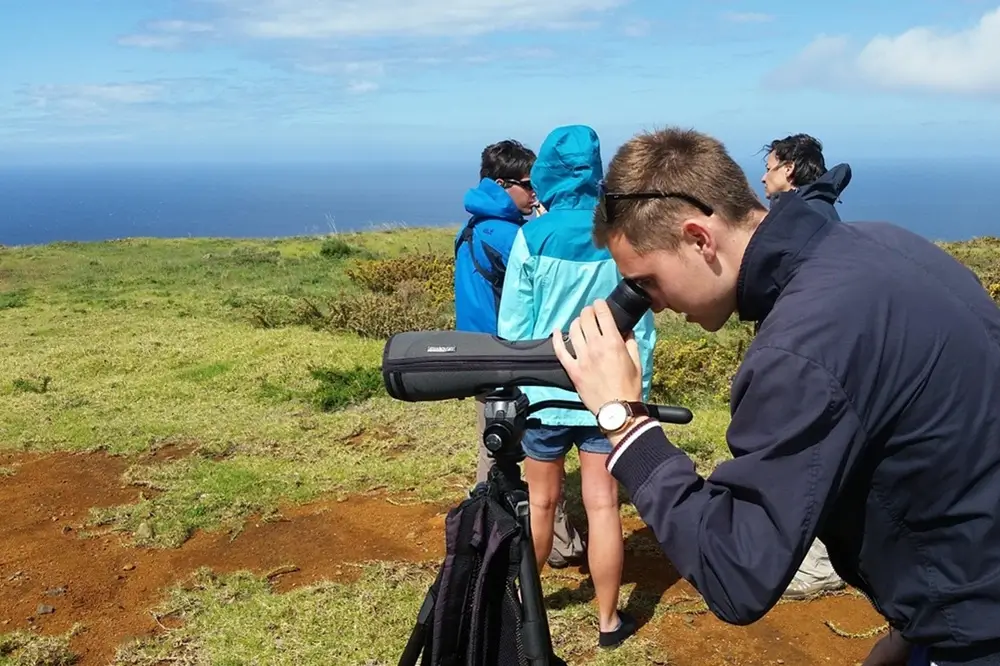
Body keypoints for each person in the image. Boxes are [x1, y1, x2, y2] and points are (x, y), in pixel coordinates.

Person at [550, 127, 1000, 666]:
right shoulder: (884, 244)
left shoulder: (801, 347)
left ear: (699, 239)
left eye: (647, 283)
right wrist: (917, 628)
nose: (656, 307)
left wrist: (624, 423)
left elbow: (736, 572)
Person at [497, 125, 657, 648]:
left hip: (543, 396)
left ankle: (527, 612)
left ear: (544, 171)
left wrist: (519, 389)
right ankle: (609, 622)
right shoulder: (619, 235)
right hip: (605, 396)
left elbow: (514, 331)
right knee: (603, 505)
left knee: (541, 506)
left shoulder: (532, 236)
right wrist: (636, 394)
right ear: (597, 171)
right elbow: (642, 328)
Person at [453, 138, 585, 569]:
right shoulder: (508, 234)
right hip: (508, 359)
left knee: (494, 449)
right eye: (528, 186)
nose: (536, 193)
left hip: (478, 354)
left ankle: (485, 536)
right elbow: (546, 285)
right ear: (501, 183)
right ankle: (558, 544)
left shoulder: (474, 226)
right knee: (532, 452)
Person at [761, 133, 853, 598]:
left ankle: (816, 566)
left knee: (802, 452)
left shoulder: (797, 220)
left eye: (771, 167)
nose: (764, 175)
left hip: (806, 354)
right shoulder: (823, 212)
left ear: (790, 171)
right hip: (824, 352)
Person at [761, 133, 852, 221]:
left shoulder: (798, 216)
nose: (763, 179)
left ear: (788, 169)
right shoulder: (820, 208)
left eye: (768, 169)